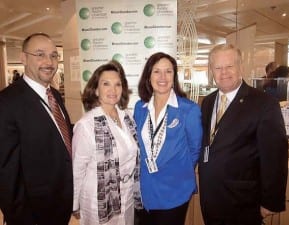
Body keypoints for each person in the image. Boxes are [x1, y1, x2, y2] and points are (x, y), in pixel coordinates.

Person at [198, 44, 288, 225]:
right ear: (211, 71)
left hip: (243, 203)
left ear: (240, 67)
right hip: (210, 198)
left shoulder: (264, 103)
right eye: (218, 67)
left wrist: (270, 202)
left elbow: (275, 156)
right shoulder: (207, 102)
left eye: (229, 66)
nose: (224, 72)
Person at [0, 33, 73, 225]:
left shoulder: (54, 95)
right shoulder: (7, 103)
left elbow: (59, 139)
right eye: (40, 54)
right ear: (23, 58)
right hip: (32, 215)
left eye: (54, 55)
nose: (49, 62)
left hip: (59, 207)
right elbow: (6, 174)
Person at [134, 52, 203, 225]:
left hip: (175, 191)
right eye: (157, 71)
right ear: (148, 76)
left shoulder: (189, 110)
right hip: (144, 190)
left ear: (174, 76)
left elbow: (195, 150)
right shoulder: (139, 107)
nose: (162, 77)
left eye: (168, 71)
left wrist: (177, 171)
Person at [72, 61, 142, 225]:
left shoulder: (127, 118)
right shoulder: (86, 125)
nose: (113, 90)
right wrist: (74, 203)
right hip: (99, 201)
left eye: (118, 84)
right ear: (96, 90)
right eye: (106, 84)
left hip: (127, 194)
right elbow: (77, 169)